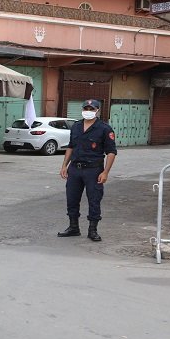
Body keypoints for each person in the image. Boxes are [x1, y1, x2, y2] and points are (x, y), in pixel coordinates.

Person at [58, 99, 117, 242]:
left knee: (94, 200)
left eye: (92, 109)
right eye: (86, 108)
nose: (88, 111)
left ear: (97, 111)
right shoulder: (76, 126)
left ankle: (93, 230)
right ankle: (73, 227)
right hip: (75, 169)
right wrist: (64, 165)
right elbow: (71, 147)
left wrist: (105, 172)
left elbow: (111, 152)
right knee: (72, 199)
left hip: (94, 170)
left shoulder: (104, 128)